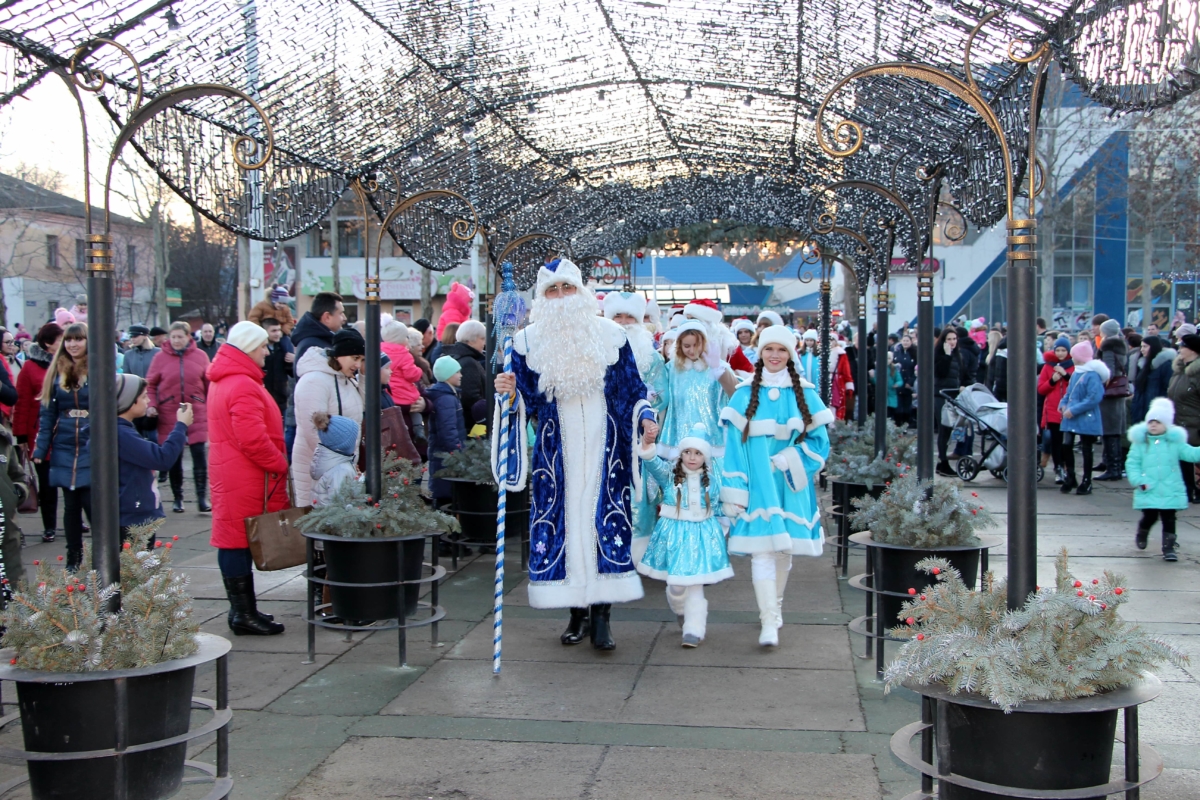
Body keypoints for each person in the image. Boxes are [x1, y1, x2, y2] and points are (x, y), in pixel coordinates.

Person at [492, 258, 654, 651]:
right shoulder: (525, 343)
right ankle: (576, 613)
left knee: (603, 524)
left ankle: (601, 617)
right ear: (542, 297)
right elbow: (525, 401)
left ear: (581, 292)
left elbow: (632, 390)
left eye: (567, 288)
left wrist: (645, 416)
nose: (561, 296)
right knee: (563, 525)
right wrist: (509, 393)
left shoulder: (611, 335)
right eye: (553, 290)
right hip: (556, 454)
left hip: (606, 449)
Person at [719, 325, 833, 647]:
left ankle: (776, 607)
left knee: (783, 550)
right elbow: (733, 451)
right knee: (762, 552)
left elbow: (820, 445)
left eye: (782, 350)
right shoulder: (744, 394)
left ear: (791, 354)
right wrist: (735, 490)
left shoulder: (805, 394)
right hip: (757, 486)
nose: (775, 355)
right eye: (769, 349)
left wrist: (790, 458)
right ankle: (767, 620)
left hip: (790, 485)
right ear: (760, 353)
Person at [206, 321, 288, 636]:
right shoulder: (242, 383)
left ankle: (244, 610)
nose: (267, 352)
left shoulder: (231, 379)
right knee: (236, 543)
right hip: (244, 476)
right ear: (249, 347)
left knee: (236, 541)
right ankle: (243, 613)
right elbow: (252, 439)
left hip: (235, 473)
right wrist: (280, 463)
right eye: (263, 346)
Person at [636, 422, 732, 648]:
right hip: (675, 536)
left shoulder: (711, 481)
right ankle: (680, 608)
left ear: (705, 456)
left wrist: (732, 509)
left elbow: (718, 505)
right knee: (677, 586)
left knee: (696, 584)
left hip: (701, 536)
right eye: (687, 452)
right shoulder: (669, 475)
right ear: (681, 454)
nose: (692, 457)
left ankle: (694, 629)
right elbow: (652, 462)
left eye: (698, 453)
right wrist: (648, 446)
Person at [32, 323, 91, 570]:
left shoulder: (98, 369)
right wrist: (40, 448)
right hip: (65, 444)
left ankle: (105, 555)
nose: (73, 344)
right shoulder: (56, 371)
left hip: (91, 441)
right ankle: (73, 558)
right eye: (69, 340)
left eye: (78, 339)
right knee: (71, 505)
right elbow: (47, 415)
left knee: (92, 503)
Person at [292, 328, 365, 507]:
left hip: (341, 466)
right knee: (316, 516)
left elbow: (364, 405)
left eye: (362, 359)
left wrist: (364, 376)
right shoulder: (314, 381)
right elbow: (314, 430)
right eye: (355, 358)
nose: (358, 364)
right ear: (339, 355)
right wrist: (338, 466)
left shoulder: (346, 378)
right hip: (318, 466)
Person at [145, 321, 211, 513]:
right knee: (174, 455)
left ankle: (201, 497)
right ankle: (178, 497)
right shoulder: (160, 358)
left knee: (199, 454)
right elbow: (150, 384)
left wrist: (210, 405)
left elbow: (209, 383)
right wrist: (152, 405)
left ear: (188, 337)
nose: (176, 340)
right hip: (169, 412)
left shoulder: (200, 356)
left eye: (180, 337)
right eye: (173, 337)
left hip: (196, 410)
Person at [1127, 399, 1200, 562]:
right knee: (1150, 516)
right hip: (1149, 487)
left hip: (1170, 488)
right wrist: (1138, 480)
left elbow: (1190, 454)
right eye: (1151, 422)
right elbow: (1132, 463)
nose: (1153, 425)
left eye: (1158, 422)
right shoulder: (1141, 443)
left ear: (1167, 425)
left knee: (1169, 518)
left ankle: (1169, 547)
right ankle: (1143, 531)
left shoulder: (1175, 442)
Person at [116, 374, 190, 536]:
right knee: (138, 552)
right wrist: (181, 425)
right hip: (133, 517)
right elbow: (163, 458)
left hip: (131, 513)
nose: (148, 401)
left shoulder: (121, 429)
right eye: (143, 397)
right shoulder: (122, 433)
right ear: (129, 401)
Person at [13, 323, 61, 542]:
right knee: (47, 483)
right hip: (40, 433)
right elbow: (21, 403)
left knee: (73, 481)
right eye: (60, 340)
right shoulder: (30, 367)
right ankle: (49, 526)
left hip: (68, 432)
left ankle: (75, 520)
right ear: (48, 343)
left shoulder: (68, 363)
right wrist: (21, 435)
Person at [287, 292, 346, 458]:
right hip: (319, 427)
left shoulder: (321, 340)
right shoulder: (313, 346)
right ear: (327, 317)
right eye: (340, 313)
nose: (344, 318)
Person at [1059, 341, 1109, 495]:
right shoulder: (1076, 373)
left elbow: (1094, 398)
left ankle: (1087, 480)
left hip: (1084, 416)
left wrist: (1073, 409)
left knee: (1087, 448)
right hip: (1072, 415)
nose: (1072, 358)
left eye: (1074, 355)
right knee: (1066, 445)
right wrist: (1063, 404)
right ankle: (1071, 476)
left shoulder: (1092, 375)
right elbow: (1069, 393)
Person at [427, 355, 466, 512]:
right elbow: (448, 429)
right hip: (446, 456)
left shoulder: (448, 396)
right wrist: (457, 451)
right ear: (448, 375)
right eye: (457, 372)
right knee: (445, 492)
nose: (461, 375)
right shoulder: (446, 399)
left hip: (443, 454)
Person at [1092, 319, 1129, 481]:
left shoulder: (1107, 347)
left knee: (1109, 432)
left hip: (1109, 395)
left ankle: (1112, 469)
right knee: (1114, 432)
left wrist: (1098, 384)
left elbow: (1108, 372)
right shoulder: (1121, 345)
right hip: (1118, 393)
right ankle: (1112, 465)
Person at [1166, 333, 1200, 503]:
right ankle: (1187, 489)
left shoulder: (1197, 373)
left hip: (1195, 424)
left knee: (1196, 458)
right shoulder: (1178, 371)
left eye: (1182, 346)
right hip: (1179, 423)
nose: (1179, 349)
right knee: (1182, 459)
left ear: (1192, 350)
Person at [1037, 336, 1073, 484]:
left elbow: (1077, 385)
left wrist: (1065, 375)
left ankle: (1068, 469)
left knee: (1068, 443)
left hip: (1070, 409)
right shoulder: (1047, 366)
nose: (1060, 353)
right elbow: (1041, 389)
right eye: (1058, 350)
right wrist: (1052, 380)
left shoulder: (1073, 365)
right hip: (1053, 410)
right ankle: (1058, 468)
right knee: (1056, 442)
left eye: (1063, 350)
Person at [442, 319, 488, 431]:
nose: (484, 343)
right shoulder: (468, 362)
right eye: (482, 339)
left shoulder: (457, 356)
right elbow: (471, 397)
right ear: (471, 340)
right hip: (472, 426)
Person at [0, 420, 27, 597]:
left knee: (13, 585)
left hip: (6, 527)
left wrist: (16, 492)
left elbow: (17, 475)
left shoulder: (2, 438)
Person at [309, 412, 360, 507]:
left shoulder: (326, 462)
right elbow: (342, 506)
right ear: (344, 445)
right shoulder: (340, 471)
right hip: (337, 516)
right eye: (354, 439)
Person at [934, 327, 963, 477]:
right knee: (944, 428)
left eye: (954, 339)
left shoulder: (958, 355)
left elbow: (960, 374)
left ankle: (942, 462)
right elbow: (941, 372)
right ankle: (943, 461)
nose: (952, 342)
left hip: (953, 395)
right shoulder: (939, 354)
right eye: (949, 339)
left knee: (950, 429)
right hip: (941, 395)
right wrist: (947, 355)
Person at [1131, 336, 1175, 423]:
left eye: (1145, 346)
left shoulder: (1165, 365)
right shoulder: (1143, 364)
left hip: (1156, 411)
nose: (1142, 349)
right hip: (1140, 409)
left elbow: (1167, 389)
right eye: (1141, 347)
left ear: (1153, 346)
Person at [261, 318, 294, 417]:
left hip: (281, 398)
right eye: (273, 331)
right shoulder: (260, 351)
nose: (278, 334)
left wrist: (293, 361)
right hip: (265, 397)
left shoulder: (283, 348)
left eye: (279, 330)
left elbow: (291, 373)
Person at [893, 332, 916, 427]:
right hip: (899, 384)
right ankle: (898, 425)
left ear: (911, 342)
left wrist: (911, 382)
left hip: (909, 384)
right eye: (904, 341)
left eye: (907, 341)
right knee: (898, 407)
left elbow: (916, 370)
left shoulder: (915, 354)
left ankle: (906, 424)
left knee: (907, 407)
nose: (905, 342)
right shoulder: (897, 354)